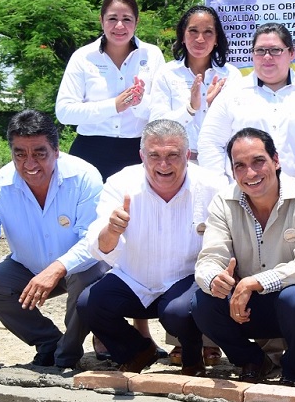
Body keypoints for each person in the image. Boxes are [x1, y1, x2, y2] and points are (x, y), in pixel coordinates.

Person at [0, 110, 108, 368]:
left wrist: (57, 268)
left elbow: (92, 240)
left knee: (90, 278)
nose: (30, 164)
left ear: (56, 150)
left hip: (79, 266)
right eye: (20, 154)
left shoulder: (85, 177)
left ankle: (66, 356)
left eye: (40, 153)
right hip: (27, 267)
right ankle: (49, 341)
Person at [77, 120, 223, 375]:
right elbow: (98, 247)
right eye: (154, 155)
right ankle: (138, 351)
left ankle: (192, 360)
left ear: (188, 156)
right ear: (142, 156)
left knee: (179, 312)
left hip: (184, 280)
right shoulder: (120, 183)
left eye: (172, 155)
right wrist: (111, 230)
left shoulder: (213, 186)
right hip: (135, 279)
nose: (163, 164)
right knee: (89, 303)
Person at [192, 127, 295, 387]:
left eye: (258, 161)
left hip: (293, 304)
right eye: (240, 166)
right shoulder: (223, 202)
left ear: (276, 160)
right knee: (203, 302)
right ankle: (253, 360)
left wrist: (253, 282)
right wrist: (215, 279)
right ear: (232, 171)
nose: (250, 173)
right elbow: (209, 258)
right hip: (246, 308)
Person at [199, 22, 295, 192]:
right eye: (260, 51)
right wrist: (222, 186)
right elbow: (210, 142)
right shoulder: (231, 94)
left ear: (291, 53)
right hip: (246, 195)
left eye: (275, 50)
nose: (267, 57)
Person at [55, 0, 165, 181]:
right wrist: (114, 105)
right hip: (89, 152)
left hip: (138, 152)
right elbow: (64, 112)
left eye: (127, 19)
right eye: (112, 18)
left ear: (137, 22)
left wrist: (138, 103)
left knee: (133, 210)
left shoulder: (152, 55)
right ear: (102, 20)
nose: (119, 26)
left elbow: (162, 112)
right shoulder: (83, 57)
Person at [148, 5, 241, 161]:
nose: (200, 39)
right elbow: (156, 128)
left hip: (220, 162)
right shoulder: (166, 74)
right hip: (178, 162)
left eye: (208, 32)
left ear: (217, 38)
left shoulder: (231, 75)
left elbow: (239, 126)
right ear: (183, 36)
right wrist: (190, 108)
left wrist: (214, 107)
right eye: (193, 31)